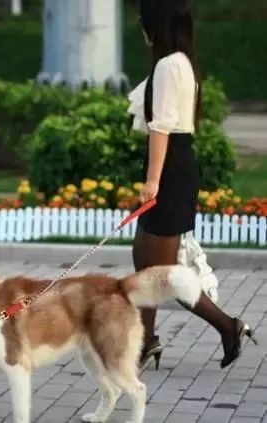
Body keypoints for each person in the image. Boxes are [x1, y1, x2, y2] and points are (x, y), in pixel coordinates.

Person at [128, 0, 257, 370]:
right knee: (145, 260)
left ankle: (228, 326)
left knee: (165, 274)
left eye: (143, 20)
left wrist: (153, 182)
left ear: (155, 24)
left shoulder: (169, 65)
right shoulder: (180, 62)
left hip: (170, 170)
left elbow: (161, 128)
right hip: (175, 165)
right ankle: (146, 340)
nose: (141, 27)